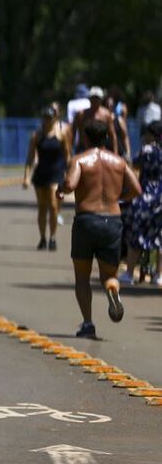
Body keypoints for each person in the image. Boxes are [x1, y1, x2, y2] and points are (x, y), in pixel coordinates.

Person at [58, 121, 142, 338]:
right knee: (109, 275)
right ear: (106, 137)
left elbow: (69, 184)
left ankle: (88, 323)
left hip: (86, 220)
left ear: (85, 138)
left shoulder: (80, 160)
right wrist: (117, 198)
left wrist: (60, 188)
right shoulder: (119, 162)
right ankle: (112, 290)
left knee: (83, 277)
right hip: (112, 222)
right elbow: (136, 189)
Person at [23, 104, 73, 251]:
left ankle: (52, 237)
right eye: (44, 118)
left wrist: (69, 173)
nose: (47, 120)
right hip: (41, 174)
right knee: (42, 208)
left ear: (54, 119)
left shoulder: (61, 135)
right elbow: (30, 157)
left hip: (56, 173)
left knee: (53, 205)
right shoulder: (37, 136)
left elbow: (68, 156)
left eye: (49, 118)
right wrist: (26, 176)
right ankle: (42, 238)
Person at [121, 121, 162, 284]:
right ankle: (159, 275)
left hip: (145, 196)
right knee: (160, 237)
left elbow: (134, 165)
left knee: (137, 236)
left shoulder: (147, 150)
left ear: (152, 135)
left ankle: (130, 274)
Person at [73, 87, 118, 154]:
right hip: (83, 149)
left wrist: (115, 153)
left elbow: (112, 135)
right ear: (89, 98)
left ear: (101, 99)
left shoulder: (106, 115)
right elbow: (73, 132)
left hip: (101, 149)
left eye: (97, 98)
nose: (95, 100)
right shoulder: (81, 114)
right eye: (93, 98)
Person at [106, 86, 132, 160]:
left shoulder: (122, 107)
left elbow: (124, 125)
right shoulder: (106, 108)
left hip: (118, 128)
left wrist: (128, 152)